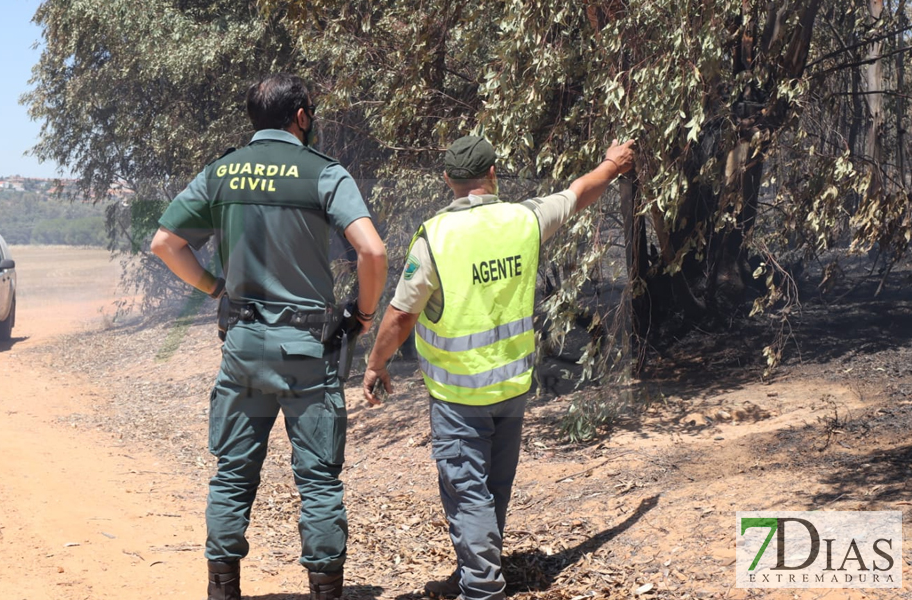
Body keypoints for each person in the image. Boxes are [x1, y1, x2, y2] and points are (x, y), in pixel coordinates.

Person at [361, 135, 635, 599]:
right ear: (493, 175)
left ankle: (482, 588)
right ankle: (476, 570)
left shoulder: (437, 236)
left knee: (467, 490)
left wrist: (376, 363)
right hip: (512, 386)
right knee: (492, 487)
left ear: (448, 180)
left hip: (458, 395)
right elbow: (579, 192)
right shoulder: (523, 219)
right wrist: (613, 163)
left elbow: (402, 314)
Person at [150, 73, 387, 600]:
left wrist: (216, 288)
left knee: (233, 476)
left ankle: (222, 589)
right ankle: (325, 590)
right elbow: (372, 252)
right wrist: (364, 315)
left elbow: (165, 242)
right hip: (309, 352)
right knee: (319, 482)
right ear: (300, 115)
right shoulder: (325, 174)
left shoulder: (222, 173)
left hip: (244, 348)